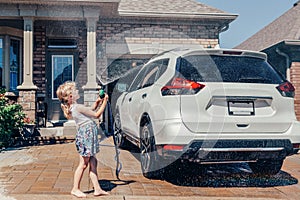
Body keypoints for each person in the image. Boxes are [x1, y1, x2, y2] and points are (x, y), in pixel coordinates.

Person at [56, 81, 109, 198]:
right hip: (86, 137)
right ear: (70, 97)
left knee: (93, 162)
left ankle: (97, 189)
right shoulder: (77, 107)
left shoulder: (75, 107)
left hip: (87, 136)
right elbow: (96, 115)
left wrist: (96, 103)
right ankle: (75, 188)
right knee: (83, 164)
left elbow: (89, 111)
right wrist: (104, 101)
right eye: (75, 91)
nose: (78, 91)